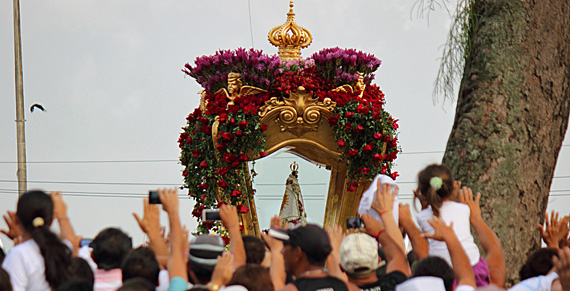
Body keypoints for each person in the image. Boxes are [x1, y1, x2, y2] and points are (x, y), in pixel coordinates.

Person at [414, 164, 489, 287]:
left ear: (422, 192)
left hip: (441, 273)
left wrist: (424, 205)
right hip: (473, 265)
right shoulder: (464, 209)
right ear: (452, 187)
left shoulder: (421, 217)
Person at [2, 190, 76, 291]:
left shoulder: (18, 254)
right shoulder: (63, 250)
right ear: (51, 220)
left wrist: (20, 238)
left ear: (17, 219)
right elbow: (71, 240)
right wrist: (62, 215)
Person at [269, 223, 361, 291]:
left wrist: (275, 250)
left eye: (287, 247)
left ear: (298, 253)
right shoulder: (349, 288)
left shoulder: (291, 289)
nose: (282, 252)